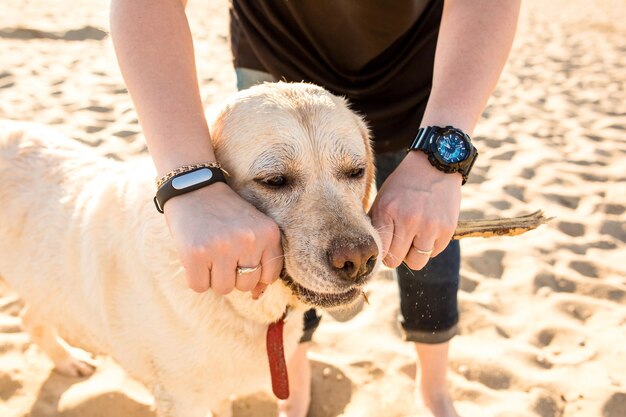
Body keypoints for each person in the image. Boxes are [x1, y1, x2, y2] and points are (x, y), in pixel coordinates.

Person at [109, 1, 521, 416]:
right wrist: (193, 183)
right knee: (273, 249)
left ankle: (433, 388)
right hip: (272, 48)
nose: (356, 252)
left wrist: (438, 158)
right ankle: (293, 381)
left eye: (355, 172)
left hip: (418, 70)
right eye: (276, 179)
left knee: (426, 234)